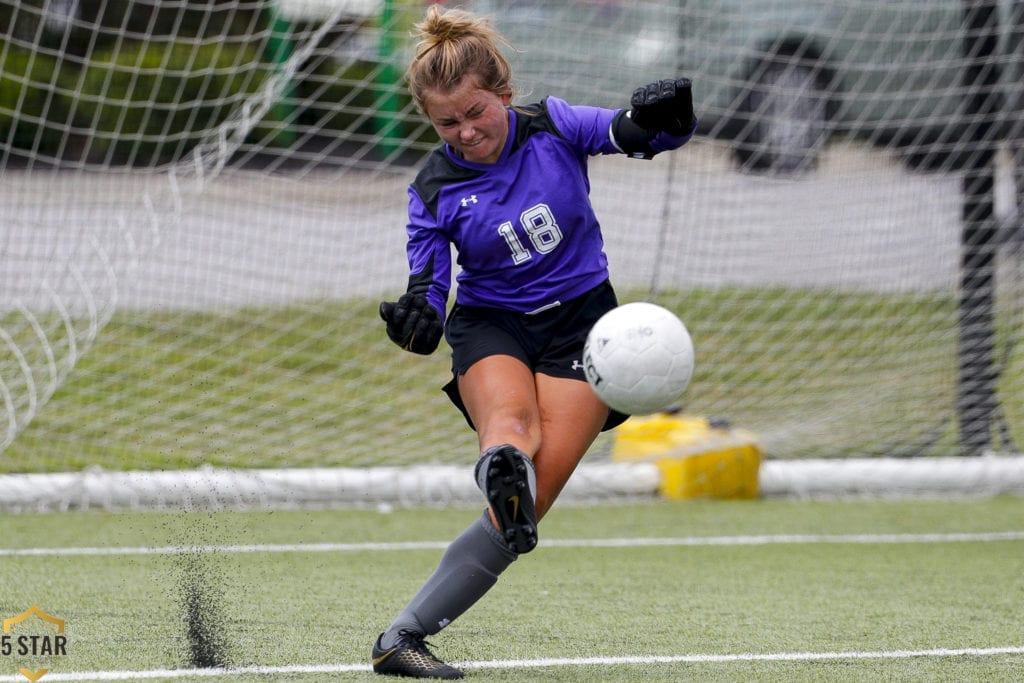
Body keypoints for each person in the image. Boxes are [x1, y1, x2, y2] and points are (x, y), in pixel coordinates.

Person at [373, 5, 697, 679]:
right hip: (492, 323)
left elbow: (634, 134)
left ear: (504, 94)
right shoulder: (433, 187)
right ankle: (502, 464)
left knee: (522, 513)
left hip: (583, 327)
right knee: (511, 430)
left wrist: (672, 117)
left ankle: (400, 637)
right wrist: (418, 320)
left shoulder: (554, 125)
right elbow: (428, 288)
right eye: (446, 124)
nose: (466, 132)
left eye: (475, 113)